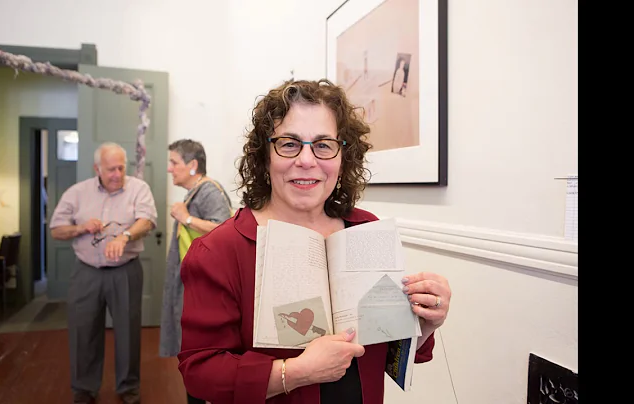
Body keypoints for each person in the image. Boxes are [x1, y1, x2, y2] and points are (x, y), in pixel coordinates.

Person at [177, 79, 452, 404]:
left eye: (323, 145)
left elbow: (389, 348)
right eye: (289, 144)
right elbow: (199, 373)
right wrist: (296, 372)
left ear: (342, 156)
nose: (307, 160)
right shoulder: (220, 251)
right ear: (265, 155)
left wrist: (426, 322)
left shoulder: (365, 230)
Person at [49, 142, 157, 404]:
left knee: (128, 333)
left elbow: (148, 220)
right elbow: (56, 229)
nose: (117, 174)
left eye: (121, 167)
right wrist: (81, 228)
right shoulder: (77, 193)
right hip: (86, 273)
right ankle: (84, 390)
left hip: (126, 271)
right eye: (110, 169)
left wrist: (125, 236)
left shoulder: (138, 188)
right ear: (97, 168)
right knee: (83, 332)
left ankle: (128, 389)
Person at [159, 140, 232, 402]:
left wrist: (186, 219)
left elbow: (226, 231)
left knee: (197, 355)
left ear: (192, 165)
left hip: (202, 290)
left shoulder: (209, 191)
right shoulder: (195, 192)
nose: (169, 169)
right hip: (191, 285)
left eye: (174, 163)